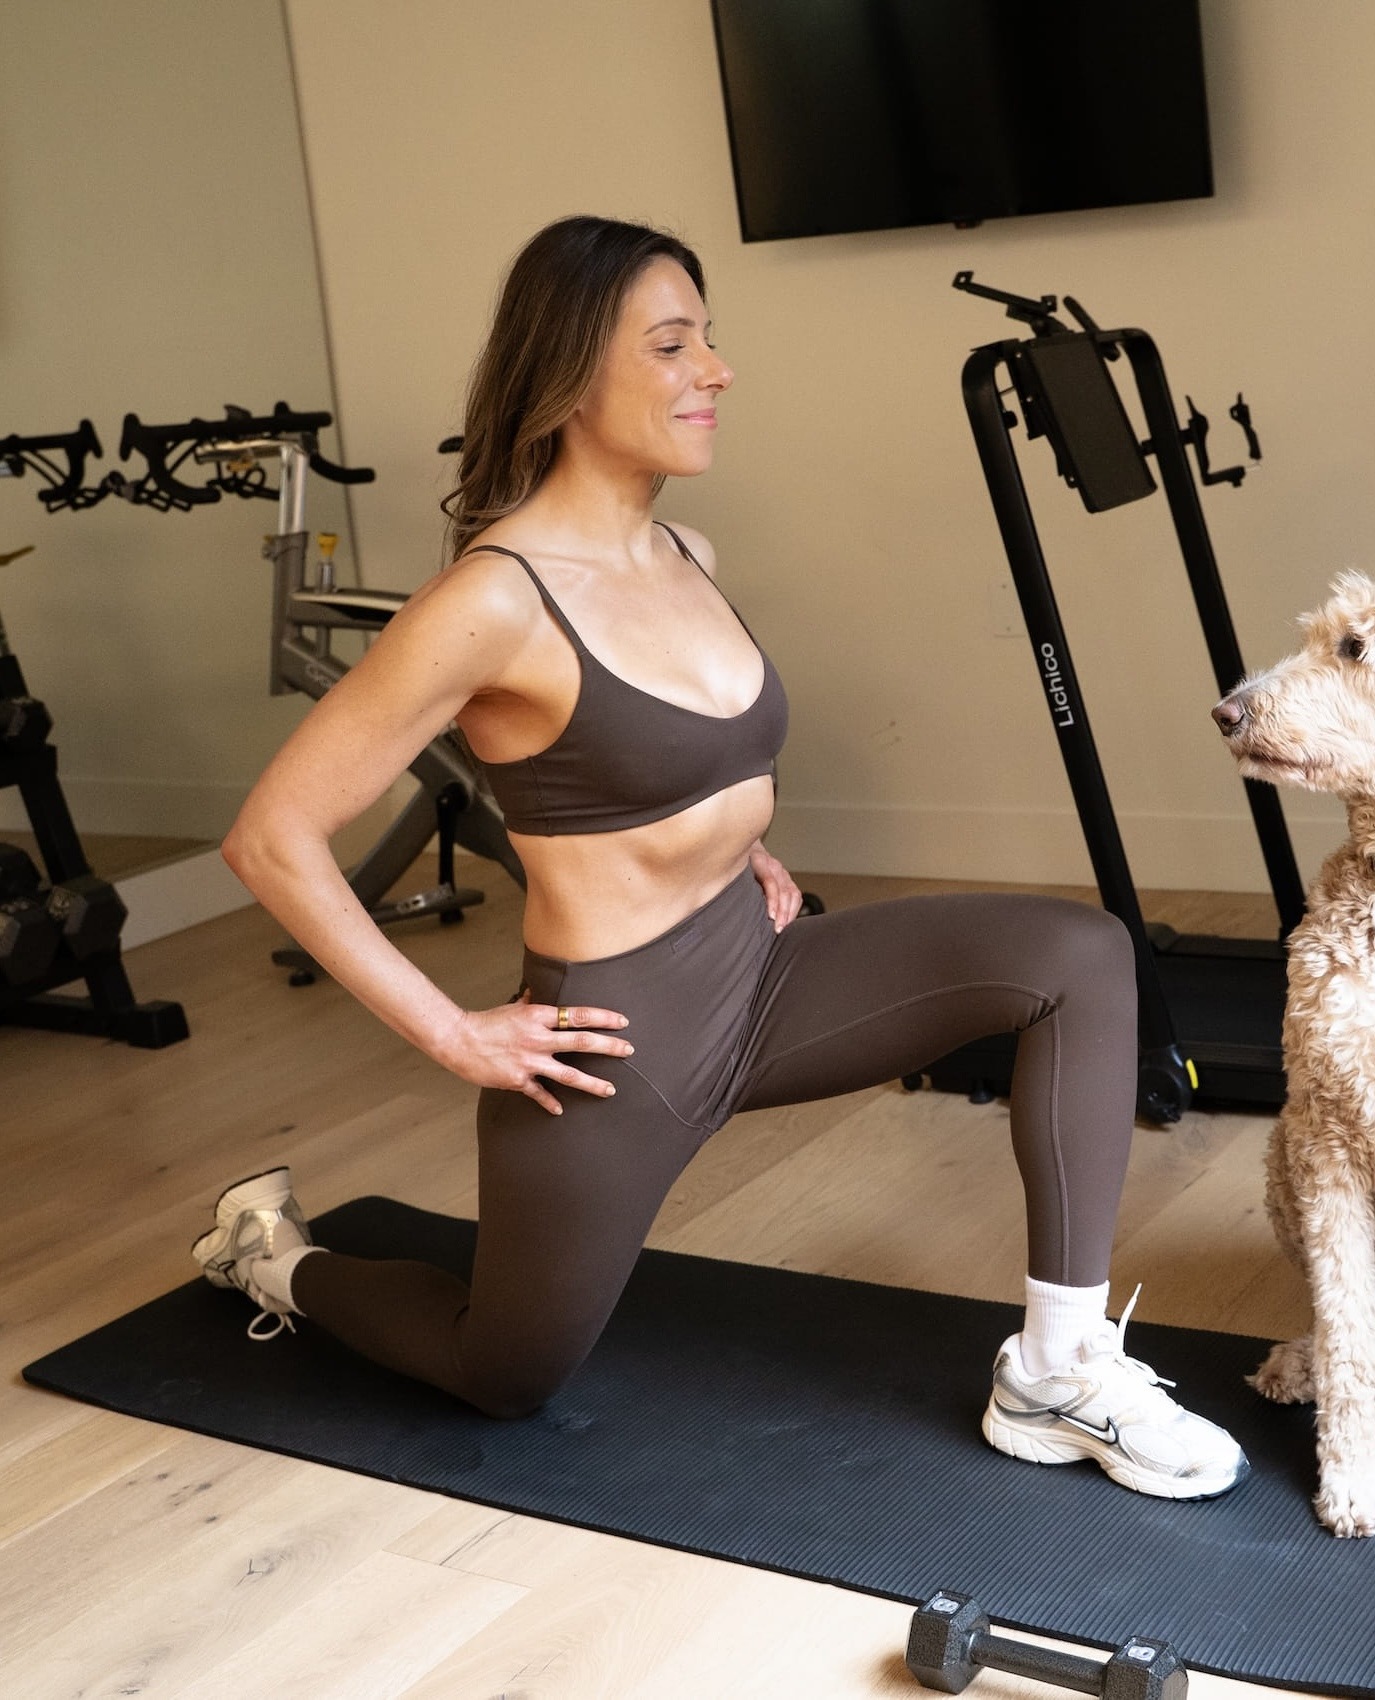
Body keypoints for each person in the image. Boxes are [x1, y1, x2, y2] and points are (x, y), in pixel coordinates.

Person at [193, 214, 1247, 1501]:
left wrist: (744, 843)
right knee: (503, 1368)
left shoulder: (688, 553)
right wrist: (452, 1032)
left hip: (764, 969)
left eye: (709, 339)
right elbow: (271, 836)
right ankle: (274, 1258)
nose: (716, 370)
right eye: (671, 344)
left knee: (1076, 955)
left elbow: (663, 761)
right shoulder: (493, 599)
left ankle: (1057, 1365)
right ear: (568, 374)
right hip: (616, 1041)